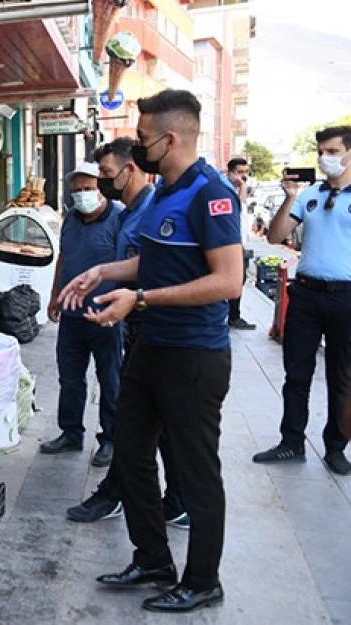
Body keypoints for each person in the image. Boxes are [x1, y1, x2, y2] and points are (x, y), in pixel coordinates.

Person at [59, 89, 242, 612]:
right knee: (131, 452)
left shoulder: (212, 194)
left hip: (194, 356)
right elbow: (153, 263)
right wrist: (102, 271)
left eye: (142, 139)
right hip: (152, 348)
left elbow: (228, 281)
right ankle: (153, 559)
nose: (136, 149)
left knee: (195, 470)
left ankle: (203, 580)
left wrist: (139, 299)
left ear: (170, 138)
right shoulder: (162, 191)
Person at [66, 138, 188, 528]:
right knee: (139, 423)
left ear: (129, 170)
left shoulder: (153, 208)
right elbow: (135, 264)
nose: (101, 184)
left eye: (104, 175)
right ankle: (138, 495)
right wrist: (99, 274)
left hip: (162, 333)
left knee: (144, 422)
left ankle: (151, 497)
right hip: (139, 329)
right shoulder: (133, 212)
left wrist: (131, 299)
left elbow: (162, 268)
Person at [253, 125, 351, 475]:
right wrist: (290, 197)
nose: (325, 158)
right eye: (321, 151)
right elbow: (277, 235)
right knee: (297, 372)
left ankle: (336, 446)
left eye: (333, 151)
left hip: (346, 297)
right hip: (307, 293)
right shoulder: (309, 194)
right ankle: (291, 442)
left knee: (343, 377)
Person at [41, 162, 123, 467]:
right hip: (73, 315)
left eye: (88, 189)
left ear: (101, 188)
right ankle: (71, 432)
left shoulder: (120, 217)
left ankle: (111, 439)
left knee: (110, 378)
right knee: (70, 377)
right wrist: (54, 296)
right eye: (76, 190)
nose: (82, 195)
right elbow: (63, 258)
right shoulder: (71, 220)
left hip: (106, 315)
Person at [225, 157, 256, 330]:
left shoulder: (236, 189)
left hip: (240, 245)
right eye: (239, 172)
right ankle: (233, 316)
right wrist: (242, 187)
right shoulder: (226, 190)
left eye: (246, 172)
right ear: (230, 173)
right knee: (235, 280)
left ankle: (234, 314)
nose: (243, 176)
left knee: (240, 280)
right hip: (231, 245)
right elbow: (240, 206)